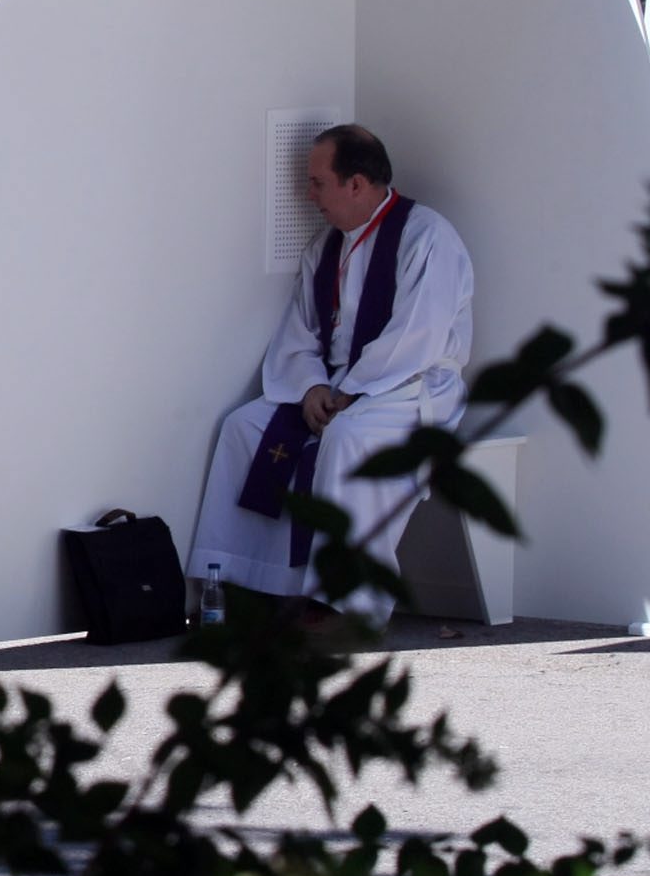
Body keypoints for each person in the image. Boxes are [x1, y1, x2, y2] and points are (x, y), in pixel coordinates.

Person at [185, 124, 474, 626]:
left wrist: (347, 392)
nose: (308, 193)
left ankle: (340, 604)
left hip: (410, 389)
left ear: (356, 184)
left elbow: (418, 334)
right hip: (338, 388)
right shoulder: (326, 248)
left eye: (318, 182)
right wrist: (314, 386)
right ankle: (240, 583)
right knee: (243, 428)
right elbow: (300, 330)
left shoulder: (427, 237)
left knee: (346, 438)